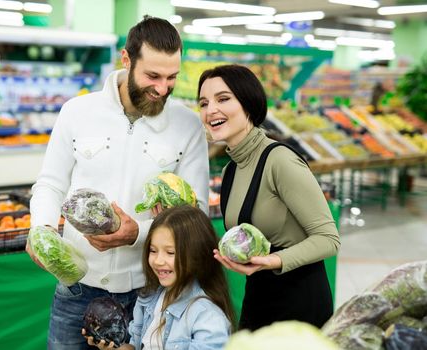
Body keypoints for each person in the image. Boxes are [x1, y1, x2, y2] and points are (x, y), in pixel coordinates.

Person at [27, 16, 209, 349]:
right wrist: (41, 229)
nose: (162, 88)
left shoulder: (188, 126)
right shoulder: (77, 112)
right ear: (126, 59)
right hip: (76, 288)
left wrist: (136, 234)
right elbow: (50, 184)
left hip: (150, 293)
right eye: (152, 76)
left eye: (172, 78)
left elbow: (195, 213)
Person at [197, 64, 340, 331]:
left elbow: (328, 239)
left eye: (223, 99)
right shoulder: (230, 170)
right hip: (258, 296)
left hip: (299, 300)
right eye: (204, 103)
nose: (210, 110)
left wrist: (273, 261)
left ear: (248, 103)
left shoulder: (280, 160)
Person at [85, 205, 233, 349]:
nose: (158, 261)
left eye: (170, 253)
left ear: (197, 254)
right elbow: (137, 343)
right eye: (153, 250)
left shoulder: (208, 317)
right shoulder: (149, 297)